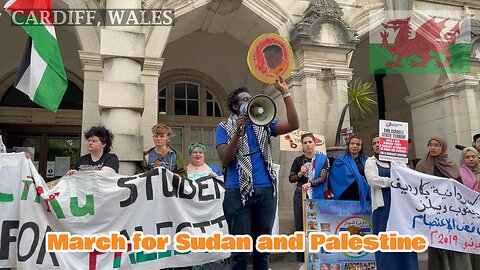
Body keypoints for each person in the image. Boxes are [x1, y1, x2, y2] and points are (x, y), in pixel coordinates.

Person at [215, 76, 299, 270]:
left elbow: (293, 125)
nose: (249, 101)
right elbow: (225, 159)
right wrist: (238, 131)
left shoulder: (264, 123)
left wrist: (285, 93)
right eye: (245, 99)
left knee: (263, 250)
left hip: (266, 190)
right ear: (236, 107)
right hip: (237, 192)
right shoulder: (223, 128)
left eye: (250, 98)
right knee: (240, 252)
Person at [415, 135, 471, 270]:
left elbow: (460, 188)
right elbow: (416, 188)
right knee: (437, 243)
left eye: (436, 145)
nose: (432, 148)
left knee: (455, 242)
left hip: (452, 212)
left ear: (443, 147)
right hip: (432, 213)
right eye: (430, 145)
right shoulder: (421, 165)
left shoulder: (451, 165)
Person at [364, 134, 418, 270]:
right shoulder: (370, 162)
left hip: (400, 207)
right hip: (383, 207)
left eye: (380, 142)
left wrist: (393, 180)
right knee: (384, 239)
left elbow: (406, 177)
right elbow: (373, 181)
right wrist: (393, 181)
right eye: (374, 143)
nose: (377, 145)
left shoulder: (398, 161)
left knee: (404, 237)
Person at [289, 133, 328, 270]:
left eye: (310, 142)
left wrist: (310, 183)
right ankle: (302, 261)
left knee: (318, 227)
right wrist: (300, 173)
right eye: (305, 142)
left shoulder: (323, 159)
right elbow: (291, 178)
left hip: (317, 195)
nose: (308, 145)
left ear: (315, 143)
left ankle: (319, 258)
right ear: (302, 145)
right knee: (300, 227)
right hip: (301, 195)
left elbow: (323, 177)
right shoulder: (298, 160)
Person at [328, 135, 370, 209]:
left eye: (358, 144)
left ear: (361, 147)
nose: (354, 146)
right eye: (352, 143)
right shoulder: (340, 160)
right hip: (346, 196)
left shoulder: (366, 161)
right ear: (348, 145)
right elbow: (335, 178)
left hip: (363, 195)